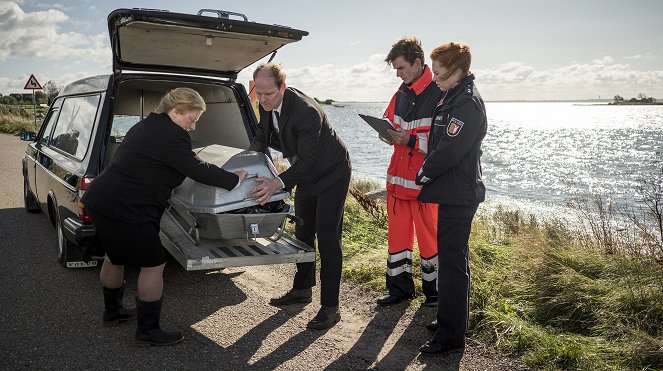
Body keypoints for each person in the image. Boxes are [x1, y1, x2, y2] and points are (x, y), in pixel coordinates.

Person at [82, 88, 248, 346]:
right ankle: (148, 331)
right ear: (175, 111)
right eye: (191, 119)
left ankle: (112, 312)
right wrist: (233, 180)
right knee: (154, 264)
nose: (192, 127)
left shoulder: (147, 125)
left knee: (114, 256)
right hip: (125, 207)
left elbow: (152, 165)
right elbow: (196, 168)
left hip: (102, 199)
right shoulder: (172, 135)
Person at [248, 63, 352, 330]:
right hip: (306, 174)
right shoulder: (266, 102)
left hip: (332, 173)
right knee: (304, 234)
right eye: (258, 93)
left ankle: (331, 307)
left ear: (282, 87)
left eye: (268, 94)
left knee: (328, 239)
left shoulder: (306, 112)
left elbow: (307, 160)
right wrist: (245, 164)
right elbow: (261, 138)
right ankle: (303, 289)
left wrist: (277, 183)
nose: (262, 99)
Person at [414, 42, 487, 355]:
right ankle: (450, 321)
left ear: (458, 70)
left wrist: (424, 173)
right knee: (451, 260)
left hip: (460, 194)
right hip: (453, 191)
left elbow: (450, 150)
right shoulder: (452, 95)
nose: (435, 78)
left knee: (453, 264)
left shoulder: (467, 104)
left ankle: (451, 336)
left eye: (439, 72)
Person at [377, 37, 444, 308]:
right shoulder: (400, 94)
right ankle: (400, 290)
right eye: (395, 69)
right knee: (398, 240)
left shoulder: (440, 93)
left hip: (425, 186)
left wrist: (412, 141)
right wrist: (386, 133)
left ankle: (436, 294)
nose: (398, 73)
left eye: (401, 68)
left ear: (418, 63)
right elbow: (389, 121)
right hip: (398, 184)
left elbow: (444, 145)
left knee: (430, 242)